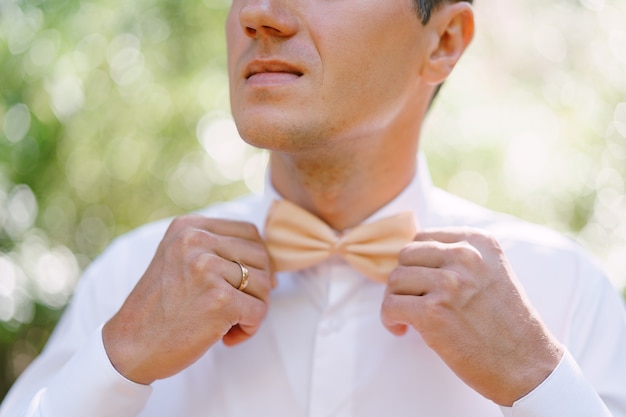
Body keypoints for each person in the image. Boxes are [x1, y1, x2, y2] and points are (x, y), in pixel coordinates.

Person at [1, 0, 625, 415]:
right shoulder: (128, 279)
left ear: (443, 40)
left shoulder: (564, 294)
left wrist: (542, 386)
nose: (257, 13)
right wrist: (118, 362)